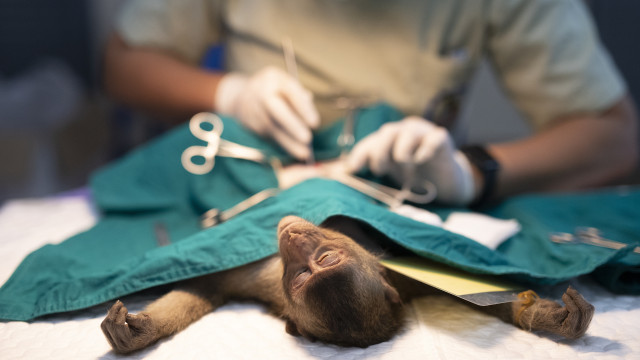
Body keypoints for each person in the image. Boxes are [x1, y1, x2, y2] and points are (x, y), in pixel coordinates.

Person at [103, 0, 638, 207]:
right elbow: (123, 65)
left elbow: (615, 138)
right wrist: (228, 94)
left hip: (416, 202)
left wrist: (472, 173)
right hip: (250, 185)